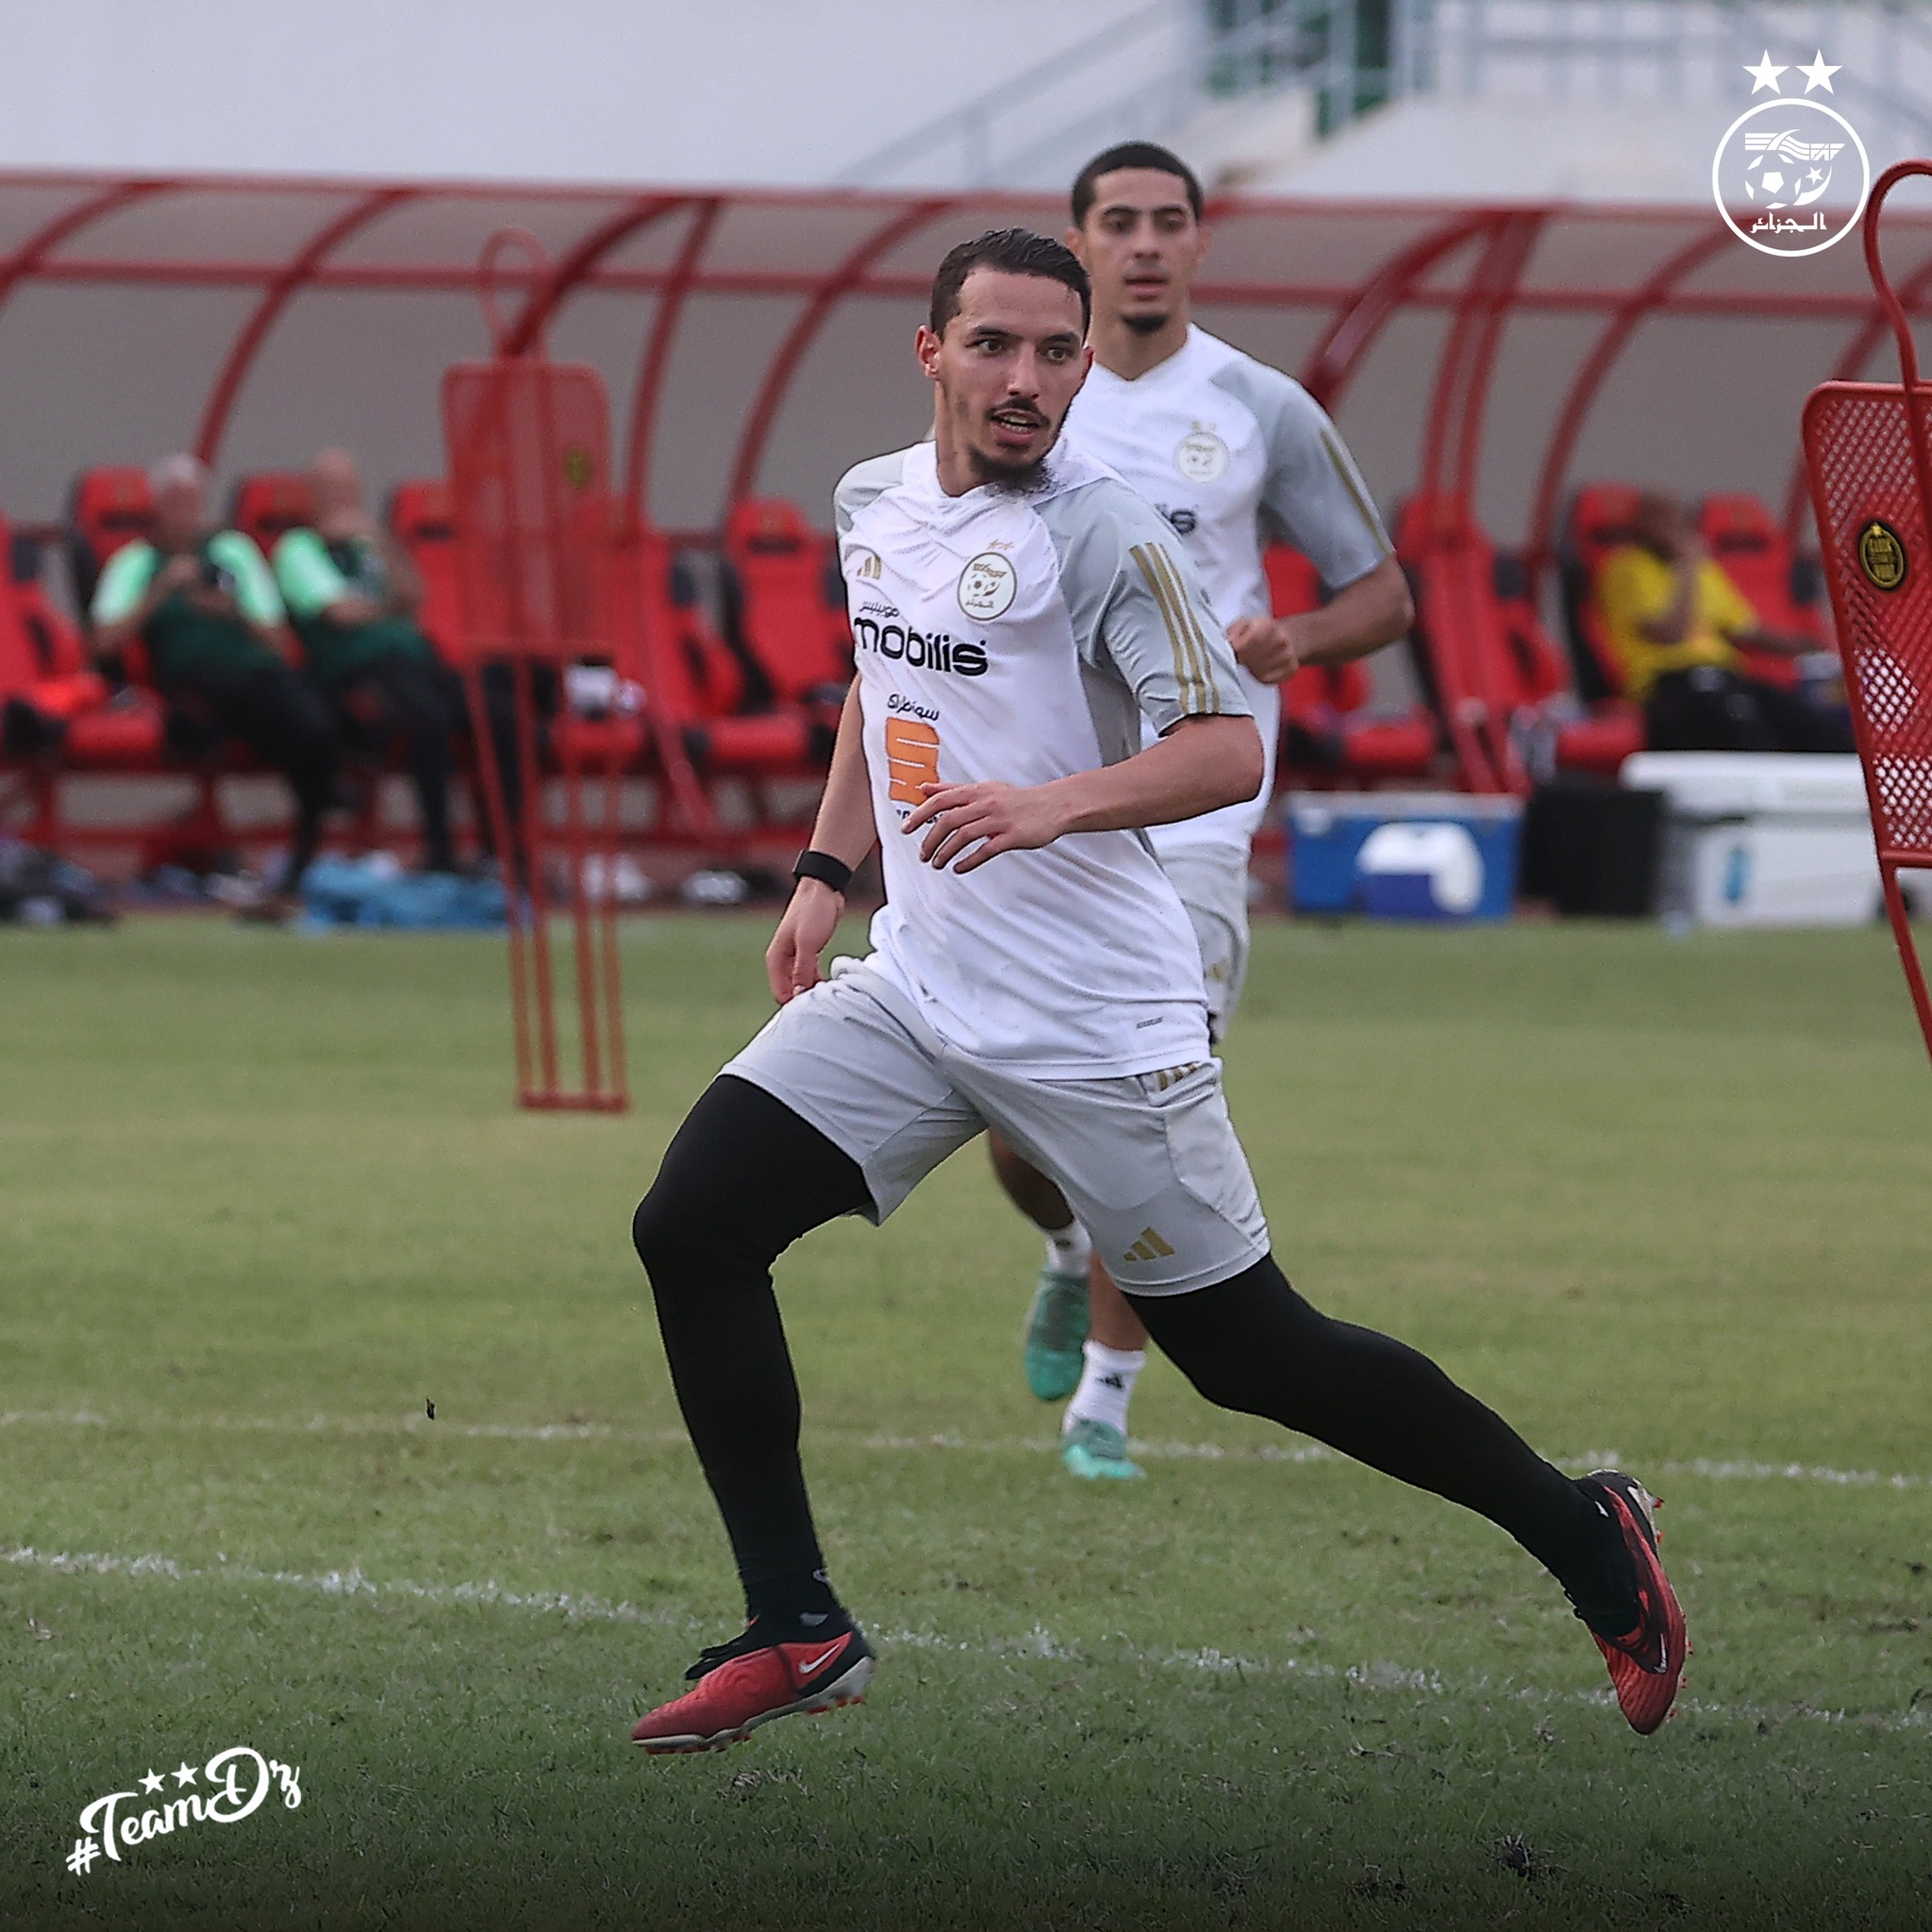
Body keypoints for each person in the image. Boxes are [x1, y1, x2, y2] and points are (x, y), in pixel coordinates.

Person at [625, 228, 1685, 1756]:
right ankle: (797, 1625)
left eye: (1054, 352)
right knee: (691, 1225)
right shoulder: (871, 501)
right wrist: (820, 871)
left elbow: (1225, 749)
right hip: (918, 990)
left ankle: (1587, 1534)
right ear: (929, 351)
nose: (1026, 377)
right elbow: (879, 682)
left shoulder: (1103, 532)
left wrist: (1049, 804)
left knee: (1254, 1353)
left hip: (1093, 1018)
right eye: (993, 344)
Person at [998, 141, 1415, 1481]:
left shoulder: (1256, 405)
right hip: (1041, 798)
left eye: (1167, 221)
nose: (1144, 244)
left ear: (1198, 244)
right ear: (1078, 241)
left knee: (1151, 1096)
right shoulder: (1027, 393)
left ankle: (1104, 1403)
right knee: (1015, 1127)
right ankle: (1065, 1242)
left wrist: (1299, 637)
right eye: (1117, 221)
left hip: (1194, 811)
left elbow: (1382, 595)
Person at [91, 455, 338, 915]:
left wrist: (232, 610)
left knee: (313, 723)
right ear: (156, 506)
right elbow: (104, 641)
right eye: (175, 502)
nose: (186, 513)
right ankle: (237, 861)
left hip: (256, 672)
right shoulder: (136, 560)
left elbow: (276, 640)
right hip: (191, 678)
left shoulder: (233, 552)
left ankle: (302, 858)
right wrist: (160, 590)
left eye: (193, 502)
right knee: (232, 717)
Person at [275, 449, 469, 874]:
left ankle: (504, 856)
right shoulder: (298, 548)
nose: (340, 501)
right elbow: (338, 613)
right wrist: (389, 609)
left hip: (413, 659)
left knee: (496, 714)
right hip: (356, 669)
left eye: (347, 491)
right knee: (429, 719)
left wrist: (379, 538)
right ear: (311, 497)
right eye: (329, 491)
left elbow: (414, 596)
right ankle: (441, 852)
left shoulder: (370, 545)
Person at [1596, 491, 1852, 753]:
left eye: (1678, 521)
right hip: (1669, 682)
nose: (1674, 529)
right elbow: (1671, 633)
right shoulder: (1626, 569)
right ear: (1641, 525)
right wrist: (1686, 569)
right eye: (1663, 521)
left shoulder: (1704, 570)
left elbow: (1748, 631)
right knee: (1747, 730)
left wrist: (1817, 646)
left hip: (1727, 675)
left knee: (1812, 724)